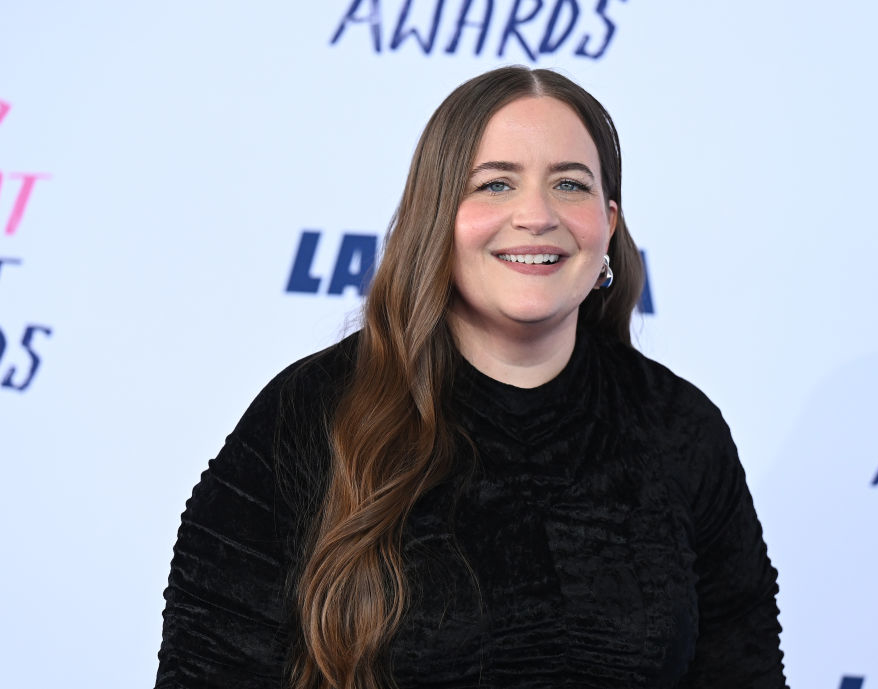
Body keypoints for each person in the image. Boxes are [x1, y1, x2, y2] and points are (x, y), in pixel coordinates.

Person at [155, 66, 787, 689]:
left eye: (569, 184)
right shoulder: (310, 415)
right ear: (436, 217)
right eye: (494, 185)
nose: (536, 216)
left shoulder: (679, 428)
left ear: (609, 224)